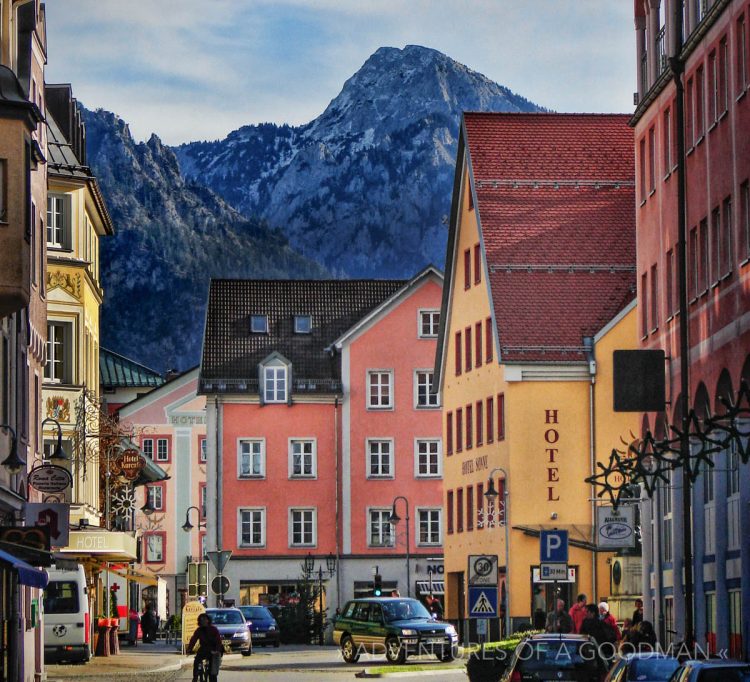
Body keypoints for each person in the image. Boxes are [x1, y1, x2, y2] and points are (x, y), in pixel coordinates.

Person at [187, 613, 223, 682]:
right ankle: (195, 678)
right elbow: (193, 639)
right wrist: (189, 649)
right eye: (201, 620)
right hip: (203, 649)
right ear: (199, 622)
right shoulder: (199, 630)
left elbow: (218, 641)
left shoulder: (213, 629)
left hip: (213, 650)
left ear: (208, 620)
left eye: (205, 619)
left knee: (213, 672)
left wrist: (217, 650)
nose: (203, 621)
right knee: (197, 661)